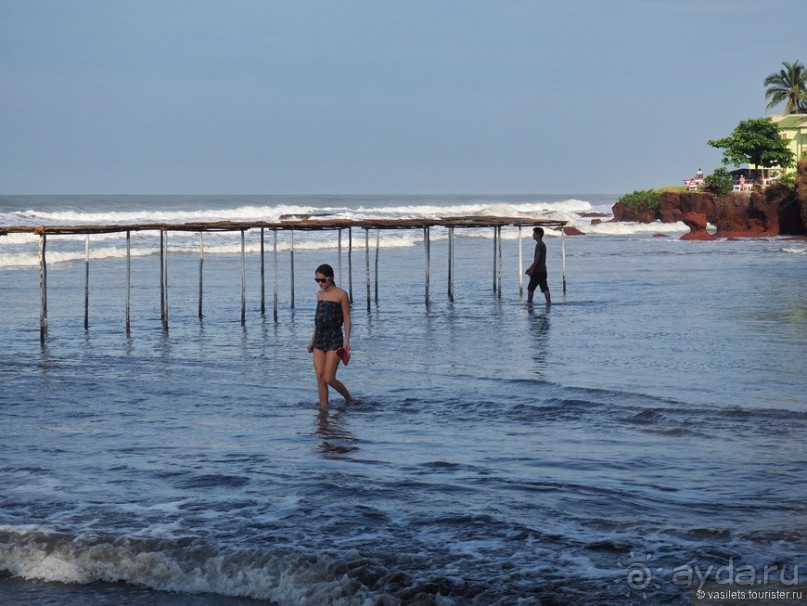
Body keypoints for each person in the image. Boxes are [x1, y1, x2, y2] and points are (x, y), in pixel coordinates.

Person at [307, 263, 355, 406]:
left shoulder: (341, 294)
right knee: (320, 377)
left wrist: (347, 341)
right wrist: (312, 341)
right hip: (320, 338)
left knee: (329, 378)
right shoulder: (319, 295)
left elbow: (346, 318)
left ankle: (349, 398)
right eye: (317, 281)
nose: (320, 283)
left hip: (334, 337)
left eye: (322, 280)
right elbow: (318, 321)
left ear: (331, 278)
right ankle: (323, 409)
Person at [525, 227, 551, 305]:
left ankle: (529, 303)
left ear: (538, 235)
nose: (533, 235)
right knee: (544, 288)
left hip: (538, 271)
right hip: (543, 270)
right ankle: (549, 302)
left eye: (534, 234)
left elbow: (537, 259)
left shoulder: (539, 245)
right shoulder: (542, 244)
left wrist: (531, 269)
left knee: (530, 288)